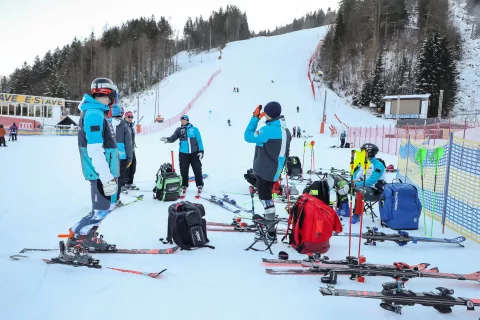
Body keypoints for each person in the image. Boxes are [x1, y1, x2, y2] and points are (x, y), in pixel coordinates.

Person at [59, 77, 120, 263]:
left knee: (108, 207)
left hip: (106, 171)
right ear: (110, 94)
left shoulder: (98, 113)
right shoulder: (94, 113)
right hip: (101, 172)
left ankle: (88, 237)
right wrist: (107, 177)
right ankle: (73, 243)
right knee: (99, 210)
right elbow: (94, 150)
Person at [244, 102, 291, 240]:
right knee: (266, 198)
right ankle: (269, 227)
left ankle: (271, 233)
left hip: (266, 171)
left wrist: (255, 118)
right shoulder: (285, 129)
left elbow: (248, 136)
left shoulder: (268, 130)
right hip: (274, 170)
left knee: (266, 201)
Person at [160, 115, 204, 198]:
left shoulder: (194, 129)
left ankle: (199, 184)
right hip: (183, 154)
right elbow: (173, 138)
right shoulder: (179, 130)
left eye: (184, 120)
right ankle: (184, 185)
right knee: (183, 169)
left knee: (197, 169)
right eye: (181, 120)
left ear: (187, 120)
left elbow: (199, 140)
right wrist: (167, 139)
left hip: (194, 153)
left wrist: (201, 151)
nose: (182, 121)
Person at [353, 143, 386, 222]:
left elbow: (371, 181)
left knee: (359, 190)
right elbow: (356, 175)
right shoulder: (364, 163)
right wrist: (349, 181)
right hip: (364, 187)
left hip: (375, 191)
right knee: (340, 183)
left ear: (369, 153)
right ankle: (344, 210)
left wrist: (355, 184)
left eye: (363, 152)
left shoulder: (378, 165)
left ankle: (357, 215)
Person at [109, 105, 133, 206]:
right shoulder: (124, 126)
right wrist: (130, 158)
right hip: (121, 157)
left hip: (109, 155)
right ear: (121, 114)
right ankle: (116, 199)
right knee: (119, 178)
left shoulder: (107, 123)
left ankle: (108, 198)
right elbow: (128, 143)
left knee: (109, 177)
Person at [124, 111, 138, 190]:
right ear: (125, 117)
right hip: (125, 150)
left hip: (131, 149)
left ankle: (129, 182)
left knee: (133, 166)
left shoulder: (131, 126)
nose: (130, 118)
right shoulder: (123, 126)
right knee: (127, 167)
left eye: (131, 117)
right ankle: (124, 183)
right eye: (128, 117)